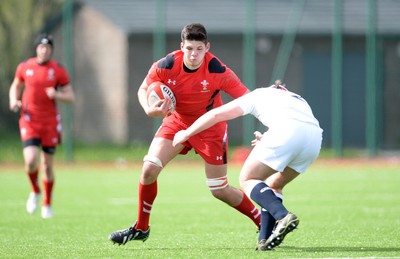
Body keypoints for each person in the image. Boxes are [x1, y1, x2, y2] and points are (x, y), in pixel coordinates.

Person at [108, 23, 261, 245]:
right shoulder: (167, 64)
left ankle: (262, 220)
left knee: (219, 189)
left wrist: (270, 129)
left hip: (210, 128)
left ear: (207, 47)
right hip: (177, 122)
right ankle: (141, 227)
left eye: (199, 49)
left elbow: (251, 100)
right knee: (149, 169)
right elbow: (143, 88)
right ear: (182, 47)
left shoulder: (218, 70)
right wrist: (150, 109)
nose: (194, 54)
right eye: (189, 48)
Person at [172, 83, 323, 251]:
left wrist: (186, 133)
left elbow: (215, 115)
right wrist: (267, 137)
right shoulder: (297, 99)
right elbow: (296, 124)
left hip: (287, 133)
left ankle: (283, 216)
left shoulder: (258, 94)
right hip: (314, 139)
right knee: (274, 185)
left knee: (248, 178)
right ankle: (264, 240)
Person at [8, 34, 75, 219]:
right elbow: (16, 85)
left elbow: (71, 96)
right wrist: (14, 100)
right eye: (41, 47)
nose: (44, 50)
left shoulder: (58, 70)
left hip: (50, 123)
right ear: (36, 48)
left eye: (47, 48)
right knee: (30, 161)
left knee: (46, 166)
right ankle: (35, 190)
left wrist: (56, 94)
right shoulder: (25, 67)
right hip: (29, 120)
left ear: (51, 50)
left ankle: (47, 202)